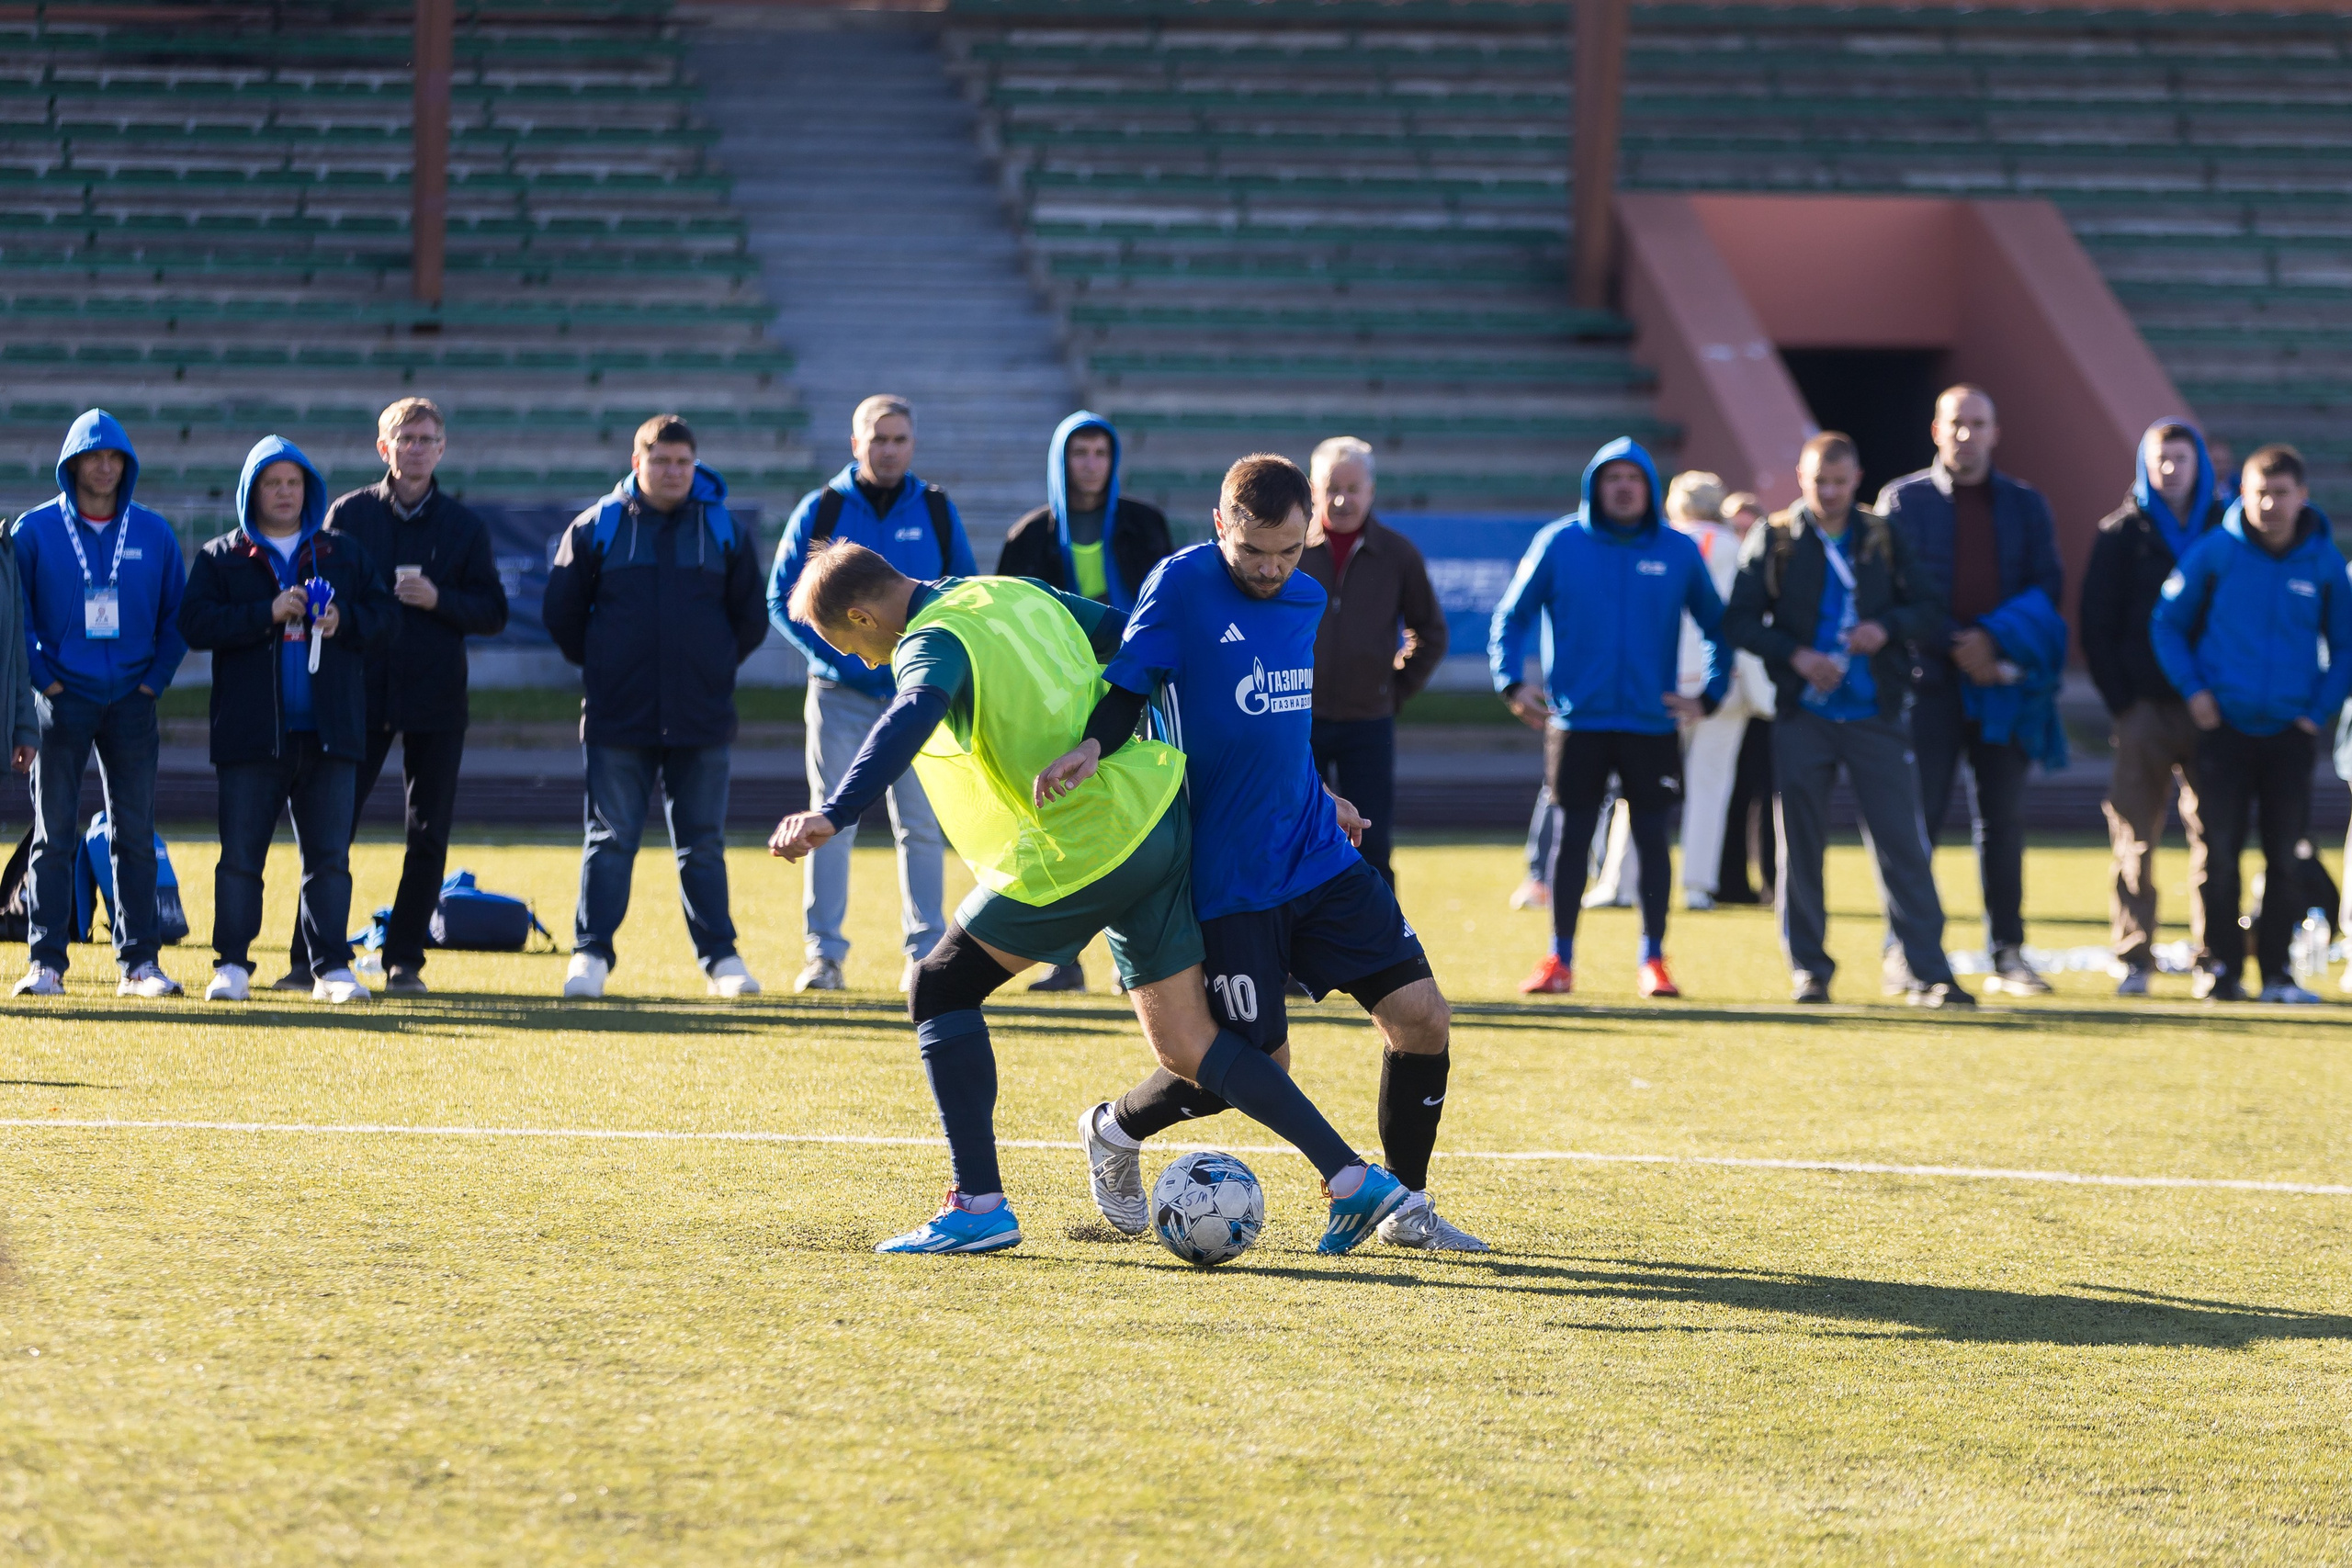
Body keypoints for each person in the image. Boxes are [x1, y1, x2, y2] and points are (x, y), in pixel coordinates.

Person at [766, 528, 1410, 1257]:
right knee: (1191, 1046)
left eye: (848, 644)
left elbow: (912, 713)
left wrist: (835, 809)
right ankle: (1352, 1177)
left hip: (1086, 844)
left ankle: (978, 1204)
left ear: (860, 617)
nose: (859, 657)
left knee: (940, 987)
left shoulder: (929, 639)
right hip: (1156, 815)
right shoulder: (1006, 591)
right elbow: (1135, 639)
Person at [1042, 452, 1485, 1252]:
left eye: (1290, 550)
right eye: (1254, 553)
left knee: (1422, 1018)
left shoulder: (1308, 597)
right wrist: (1090, 748)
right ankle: (1115, 1128)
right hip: (1229, 878)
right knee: (1258, 1063)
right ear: (1221, 527)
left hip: (1317, 850)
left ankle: (1407, 1207)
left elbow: (1273, 720)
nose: (1274, 569)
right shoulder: (1179, 584)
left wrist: (1320, 792)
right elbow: (1131, 688)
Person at [1722, 434, 1970, 1006]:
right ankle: (1810, 970)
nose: (1828, 493)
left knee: (1902, 843)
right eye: (1817, 482)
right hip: (1803, 712)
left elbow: (1929, 605)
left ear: (1856, 478)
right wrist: (1796, 654)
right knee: (1800, 847)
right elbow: (1738, 619)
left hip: (1873, 710)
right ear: (1801, 479)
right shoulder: (1777, 537)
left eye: (1838, 482)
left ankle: (1926, 969)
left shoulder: (1882, 535)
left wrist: (1885, 629)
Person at [275, 398, 508, 995]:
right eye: (405, 438)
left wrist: (439, 599)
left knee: (427, 834)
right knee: (334, 827)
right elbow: (317, 593)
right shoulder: (348, 515)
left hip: (436, 699)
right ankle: (310, 960)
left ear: (442, 448)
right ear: (384, 447)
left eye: (427, 438)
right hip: (357, 692)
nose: (416, 448)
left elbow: (493, 611)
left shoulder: (463, 526)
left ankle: (404, 958)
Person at [1490, 437, 1728, 998]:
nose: (1623, 488)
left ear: (1650, 489)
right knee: (1571, 839)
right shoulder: (1559, 543)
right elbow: (1512, 616)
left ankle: (1654, 961)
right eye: (1612, 478)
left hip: (1651, 723)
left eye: (1635, 478)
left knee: (1651, 840)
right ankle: (1560, 959)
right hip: (1577, 723)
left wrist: (1708, 697)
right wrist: (1510, 682)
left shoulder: (1676, 551)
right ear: (1594, 486)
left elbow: (1719, 627)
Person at [541, 415, 770, 1000]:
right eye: (661, 461)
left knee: (703, 844)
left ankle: (721, 958)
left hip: (702, 716)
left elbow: (750, 620)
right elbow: (563, 616)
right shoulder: (598, 526)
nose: (673, 473)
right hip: (619, 715)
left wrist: (710, 668)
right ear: (637, 461)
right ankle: (590, 956)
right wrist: (605, 668)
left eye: (683, 462)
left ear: (695, 465)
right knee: (610, 840)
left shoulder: (724, 530)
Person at [769, 395, 975, 994]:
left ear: (912, 444)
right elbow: (781, 599)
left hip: (920, 693)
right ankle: (824, 957)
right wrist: (841, 660)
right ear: (856, 443)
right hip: (839, 693)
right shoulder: (823, 506)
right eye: (878, 438)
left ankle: (924, 956)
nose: (889, 448)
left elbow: (961, 588)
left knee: (921, 825)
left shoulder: (935, 508)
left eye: (899, 438)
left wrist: (926, 666)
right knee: (830, 818)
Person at [179, 436, 394, 1004]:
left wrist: (343, 619)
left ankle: (332, 970)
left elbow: (386, 619)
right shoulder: (220, 556)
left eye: (293, 482)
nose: (283, 493)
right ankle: (231, 965)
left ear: (308, 489)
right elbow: (195, 625)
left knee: (328, 860)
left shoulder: (343, 552)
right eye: (272, 482)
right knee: (241, 859)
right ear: (252, 490)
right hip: (251, 737)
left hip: (331, 734)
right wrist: (264, 614)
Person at [1877, 385, 2064, 998]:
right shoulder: (1902, 500)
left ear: (1994, 432)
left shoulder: (2026, 504)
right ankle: (1904, 949)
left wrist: (1992, 642)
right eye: (1956, 423)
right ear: (1936, 430)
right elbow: (1889, 588)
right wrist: (1959, 643)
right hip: (1925, 683)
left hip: (2001, 684)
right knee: (1917, 823)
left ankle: (2007, 950)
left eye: (1977, 423)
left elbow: (2047, 584)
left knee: (2003, 822)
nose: (1966, 434)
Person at [2150, 445, 2352, 1004]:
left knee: (2287, 856)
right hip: (2226, 728)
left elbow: (2346, 644)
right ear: (2243, 494)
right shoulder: (2216, 552)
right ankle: (2222, 969)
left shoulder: (2323, 561)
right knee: (2219, 855)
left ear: (2302, 496)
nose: (2270, 504)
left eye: (2281, 493)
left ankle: (2279, 973)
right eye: (2259, 492)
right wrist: (2195, 693)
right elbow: (2166, 622)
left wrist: (2317, 711)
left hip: (2290, 732)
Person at [11, 410, 188, 998]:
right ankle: (45, 963)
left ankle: (139, 963)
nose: (105, 467)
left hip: (133, 701)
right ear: (72, 465)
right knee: (52, 834)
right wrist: (45, 680)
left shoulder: (154, 533)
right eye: (94, 456)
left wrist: (153, 682)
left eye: (115, 457)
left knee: (134, 833)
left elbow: (176, 618)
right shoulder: (33, 532)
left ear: (127, 466)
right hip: (60, 702)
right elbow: (17, 621)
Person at [995, 410, 1173, 990]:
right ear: (1061, 461)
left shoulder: (1146, 526)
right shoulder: (1029, 536)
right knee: (1063, 826)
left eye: (1101, 452)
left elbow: (1170, 609)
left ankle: (1138, 963)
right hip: (1060, 700)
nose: (1091, 464)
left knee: (1142, 825)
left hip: (1137, 693)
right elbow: (1009, 622)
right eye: (1080, 453)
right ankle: (1062, 961)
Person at [1589, 470, 1768, 913]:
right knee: (1711, 788)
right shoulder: (1737, 547)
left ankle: (1620, 883)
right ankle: (1698, 887)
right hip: (1724, 686)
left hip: (1660, 684)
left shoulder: (1661, 542)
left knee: (1639, 787)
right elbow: (1745, 619)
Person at [2081, 420, 2219, 997]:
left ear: (2199, 465)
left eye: (2181, 459)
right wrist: (2123, 702)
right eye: (2161, 460)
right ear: (2145, 464)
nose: (2171, 470)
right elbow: (2096, 624)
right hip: (2143, 708)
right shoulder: (2121, 534)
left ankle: (2214, 953)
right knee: (2135, 835)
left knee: (2215, 834)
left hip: (2211, 708)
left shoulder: (2226, 528)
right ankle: (2134, 952)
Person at [1714, 491, 1777, 905]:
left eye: (1749, 528)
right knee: (1726, 792)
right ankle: (1728, 881)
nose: (1742, 537)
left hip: (1768, 699)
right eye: (1734, 528)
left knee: (1771, 791)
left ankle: (1776, 881)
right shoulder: (1713, 567)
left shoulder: (1775, 569)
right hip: (1722, 699)